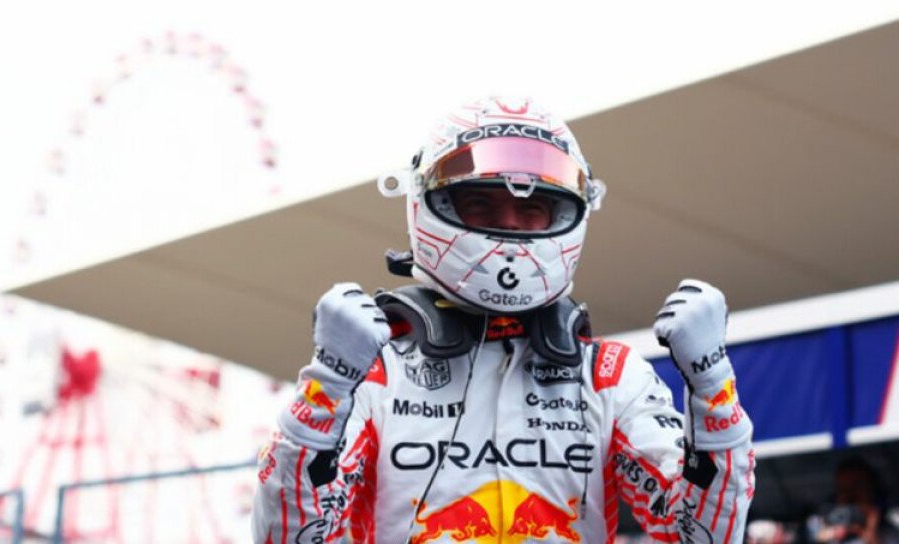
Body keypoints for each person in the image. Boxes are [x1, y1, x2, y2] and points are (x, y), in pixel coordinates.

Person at [252, 96, 755, 543]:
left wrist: (713, 386)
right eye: (480, 204)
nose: (509, 224)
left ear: (568, 214)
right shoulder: (374, 372)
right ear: (429, 204)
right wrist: (326, 388)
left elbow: (701, 537)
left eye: (533, 207)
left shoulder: (610, 377)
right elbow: (286, 538)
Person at [807, 457, 899, 543]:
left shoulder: (889, 532)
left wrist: (870, 530)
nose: (850, 496)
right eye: (843, 490)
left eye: (857, 487)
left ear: (871, 490)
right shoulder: (823, 527)